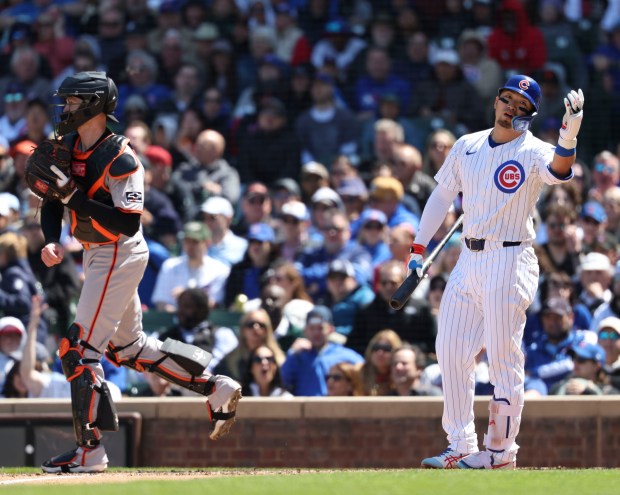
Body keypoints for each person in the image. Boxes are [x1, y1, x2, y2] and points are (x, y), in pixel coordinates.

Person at [36, 72, 241, 474]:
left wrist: (75, 197)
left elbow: (127, 223)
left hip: (119, 251)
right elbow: (51, 201)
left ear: (95, 104)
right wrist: (50, 238)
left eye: (74, 102)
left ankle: (89, 451)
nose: (66, 109)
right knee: (127, 349)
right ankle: (214, 386)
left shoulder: (122, 158)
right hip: (97, 252)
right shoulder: (66, 145)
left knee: (79, 350)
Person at [411, 75, 585, 470]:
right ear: (496, 100)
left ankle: (500, 452)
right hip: (468, 257)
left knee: (504, 357)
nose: (511, 107)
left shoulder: (535, 150)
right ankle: (460, 444)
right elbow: (441, 196)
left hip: (511, 257)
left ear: (529, 115)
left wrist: (568, 137)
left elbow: (559, 171)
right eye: (507, 99)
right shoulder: (466, 144)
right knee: (451, 351)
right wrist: (418, 248)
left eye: (521, 105)